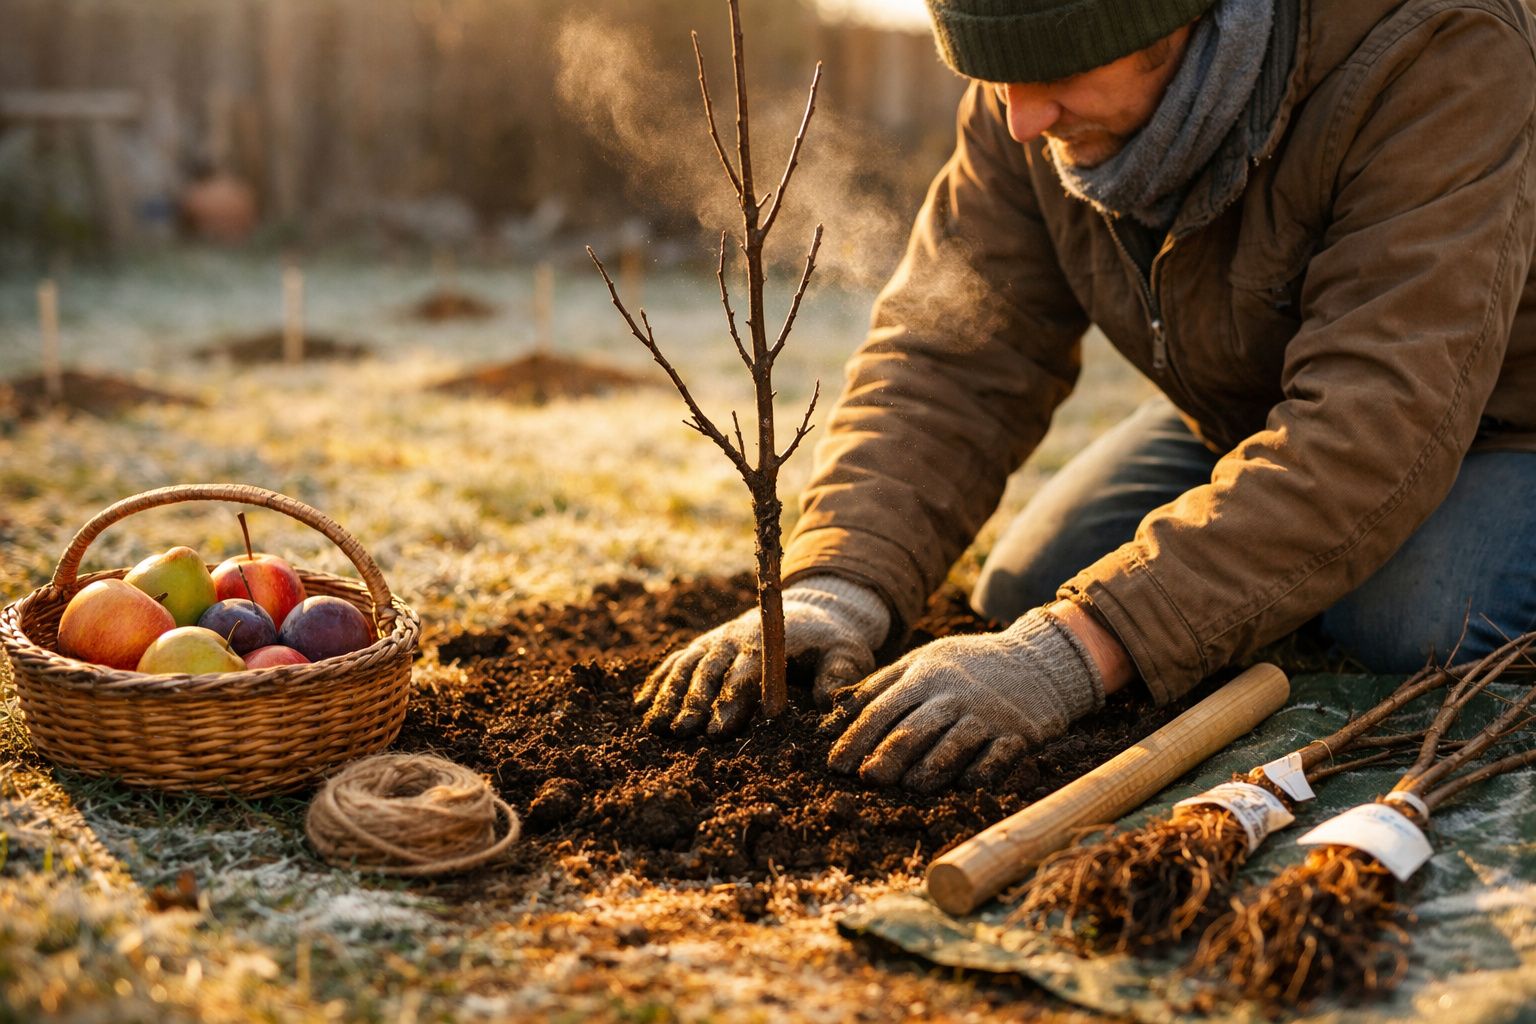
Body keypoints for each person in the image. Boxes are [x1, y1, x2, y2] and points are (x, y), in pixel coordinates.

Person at [637, 0, 1536, 791]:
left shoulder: (1437, 51)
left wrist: (1075, 654)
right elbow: (954, 353)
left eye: (1057, 75)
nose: (1023, 120)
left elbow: (1376, 418)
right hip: (1255, 414)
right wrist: (840, 581)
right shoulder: (1025, 101)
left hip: (1496, 419)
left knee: (1412, 620)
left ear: (1174, 18)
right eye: (999, 82)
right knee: (1028, 584)